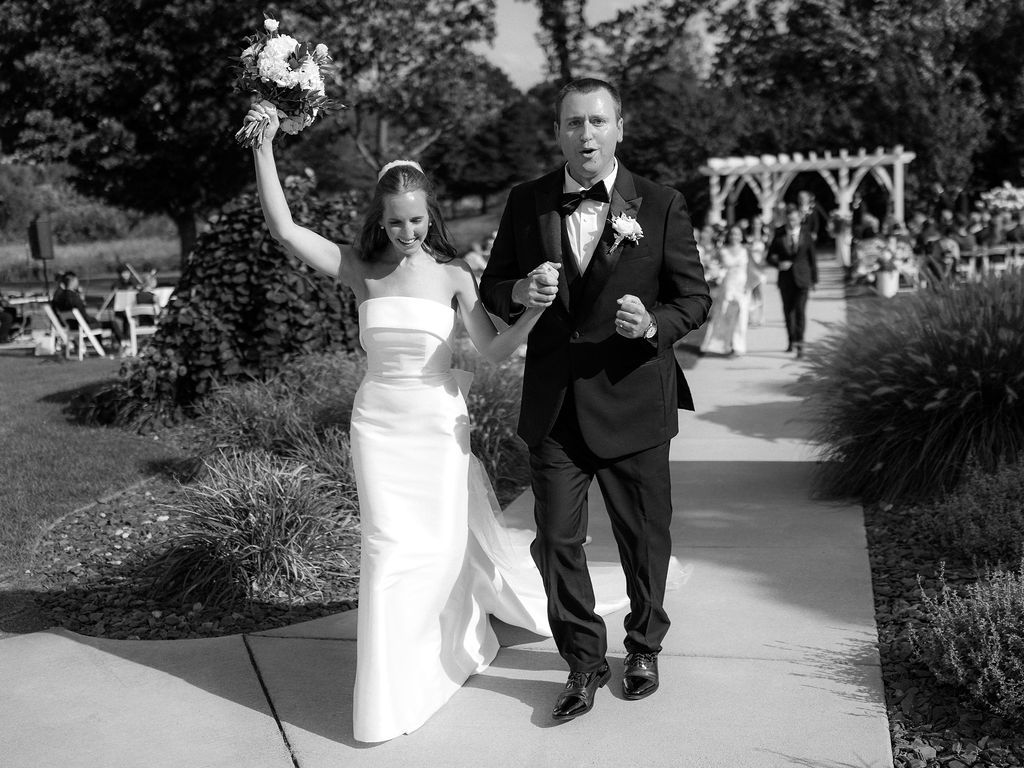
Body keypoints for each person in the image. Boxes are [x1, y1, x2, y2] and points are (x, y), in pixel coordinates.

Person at [243, 100, 631, 743]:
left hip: (437, 429)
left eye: (417, 220)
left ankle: (446, 647)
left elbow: (496, 349)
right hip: (378, 428)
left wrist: (531, 312)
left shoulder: (454, 275)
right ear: (381, 221)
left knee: (443, 550)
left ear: (431, 216)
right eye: (396, 222)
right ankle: (389, 692)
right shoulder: (362, 271)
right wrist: (263, 145)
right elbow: (285, 229)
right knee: (389, 552)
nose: (407, 232)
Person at [480, 77, 711, 721]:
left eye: (597, 122)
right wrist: (520, 292)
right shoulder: (526, 203)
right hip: (555, 406)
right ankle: (582, 660)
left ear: (619, 127)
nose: (586, 135)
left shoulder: (660, 204)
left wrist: (654, 327)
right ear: (558, 133)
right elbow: (494, 286)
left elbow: (694, 298)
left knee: (644, 539)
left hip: (634, 398)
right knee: (554, 541)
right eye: (573, 124)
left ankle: (643, 646)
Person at [766, 204, 817, 358]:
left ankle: (800, 344)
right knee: (788, 312)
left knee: (800, 311)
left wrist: (814, 280)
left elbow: (812, 258)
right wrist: (778, 264)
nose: (792, 222)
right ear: (786, 219)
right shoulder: (779, 233)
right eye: (789, 220)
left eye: (794, 220)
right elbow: (769, 256)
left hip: (803, 278)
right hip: (786, 279)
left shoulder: (806, 234)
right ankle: (791, 341)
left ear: (799, 219)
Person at [700, 224, 751, 356]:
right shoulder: (723, 251)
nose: (735, 236)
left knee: (741, 317)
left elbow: (753, 270)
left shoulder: (746, 251)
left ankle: (738, 346)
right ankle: (720, 344)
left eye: (738, 234)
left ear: (742, 236)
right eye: (733, 233)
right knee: (723, 315)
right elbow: (713, 265)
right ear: (729, 236)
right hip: (727, 286)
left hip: (742, 287)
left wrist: (750, 285)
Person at [51, 271, 126, 352]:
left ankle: (101, 347)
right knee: (112, 323)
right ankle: (124, 344)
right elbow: (84, 317)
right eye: (77, 280)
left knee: (96, 323)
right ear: (73, 282)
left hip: (72, 326)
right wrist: (94, 318)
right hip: (82, 327)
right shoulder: (75, 298)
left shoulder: (61, 297)